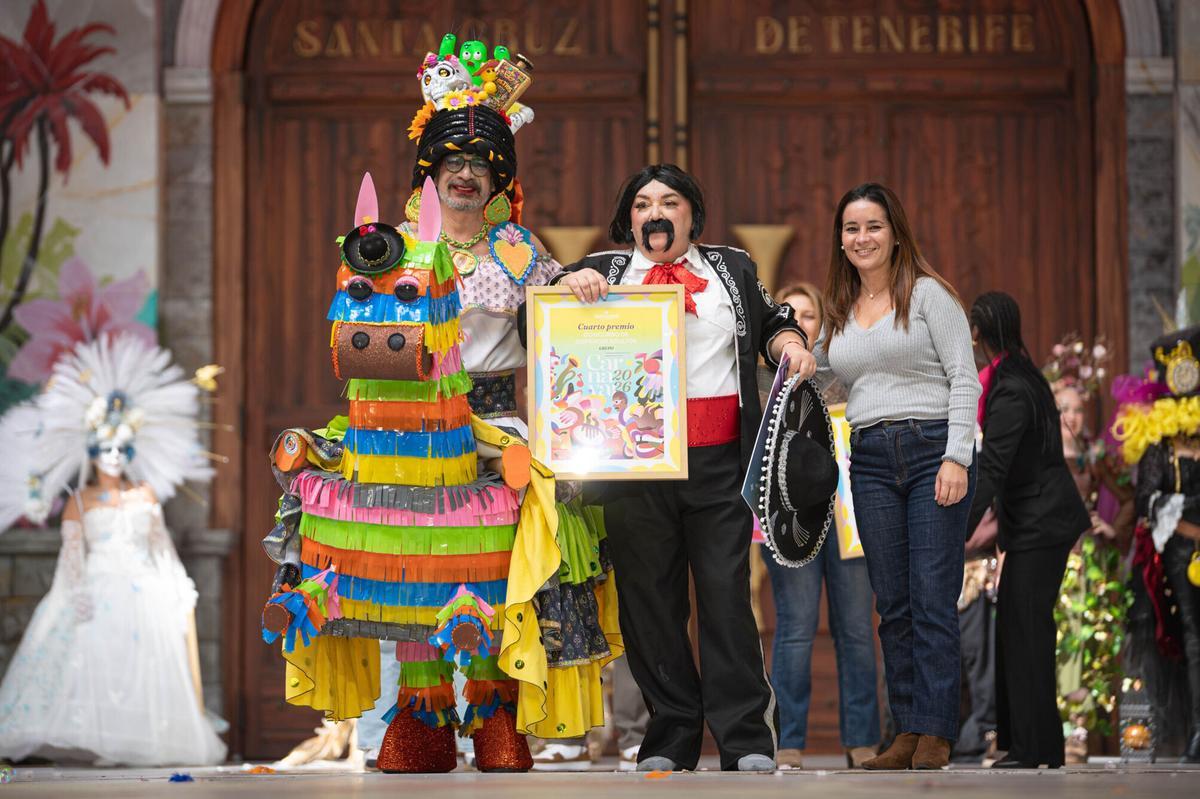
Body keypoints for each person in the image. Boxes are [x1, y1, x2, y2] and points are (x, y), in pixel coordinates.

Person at [556, 163, 814, 772]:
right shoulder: (606, 271)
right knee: (649, 603)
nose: (656, 213)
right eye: (643, 204)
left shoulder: (732, 268)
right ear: (630, 220)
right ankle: (670, 737)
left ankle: (746, 737)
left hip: (722, 461)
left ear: (692, 213)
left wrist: (789, 343)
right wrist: (569, 288)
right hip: (635, 463)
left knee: (726, 597)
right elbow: (534, 323)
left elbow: (774, 320)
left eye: (669, 201)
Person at [813, 182, 980, 770]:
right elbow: (820, 376)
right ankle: (906, 730)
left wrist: (959, 455)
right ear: (841, 239)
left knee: (932, 595)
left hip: (935, 446)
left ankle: (936, 731)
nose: (862, 238)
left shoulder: (930, 295)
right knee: (893, 601)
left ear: (895, 232)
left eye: (873, 226)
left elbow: (966, 377)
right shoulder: (840, 311)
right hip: (871, 456)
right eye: (851, 228)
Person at [0, 335, 226, 766]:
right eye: (105, 449)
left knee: (145, 666)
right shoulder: (79, 501)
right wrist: (75, 590)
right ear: (92, 451)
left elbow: (163, 548)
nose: (113, 457)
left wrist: (178, 585)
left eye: (122, 449)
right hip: (98, 587)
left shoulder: (145, 494)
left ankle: (138, 741)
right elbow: (71, 555)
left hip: (146, 590)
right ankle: (98, 740)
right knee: (94, 661)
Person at [964, 292, 1091, 769]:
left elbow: (992, 467)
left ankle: (1032, 747)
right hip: (1037, 523)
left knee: (1025, 629)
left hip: (1042, 523)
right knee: (1023, 628)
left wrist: (959, 531)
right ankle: (1036, 746)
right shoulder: (1020, 373)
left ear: (977, 333)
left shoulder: (1011, 387)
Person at [764, 281, 880, 770]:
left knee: (856, 628)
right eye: (791, 316)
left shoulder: (850, 373)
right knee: (794, 627)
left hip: (849, 511)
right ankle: (787, 740)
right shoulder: (763, 380)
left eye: (808, 315)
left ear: (823, 324)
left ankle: (862, 740)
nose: (801, 323)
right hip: (791, 512)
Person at [1114, 325, 1200, 763]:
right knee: (1190, 636)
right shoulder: (1159, 446)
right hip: (1179, 554)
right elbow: (1148, 497)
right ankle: (1195, 730)